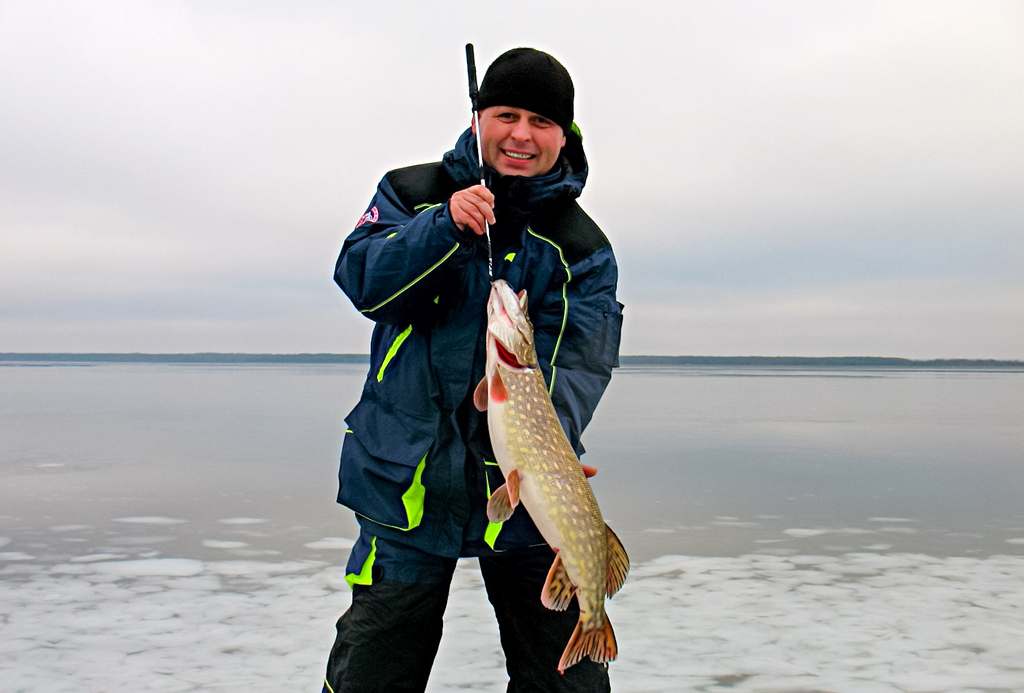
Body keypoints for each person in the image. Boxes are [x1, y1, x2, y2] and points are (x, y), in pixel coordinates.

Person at [323, 47, 623, 693]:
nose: (521, 134)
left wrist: (552, 448)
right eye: (506, 114)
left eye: (542, 121)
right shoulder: (412, 193)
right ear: (479, 117)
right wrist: (444, 228)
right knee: (373, 676)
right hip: (404, 480)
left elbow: (579, 363)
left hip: (526, 502)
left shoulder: (581, 246)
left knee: (566, 687)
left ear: (564, 135)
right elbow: (365, 285)